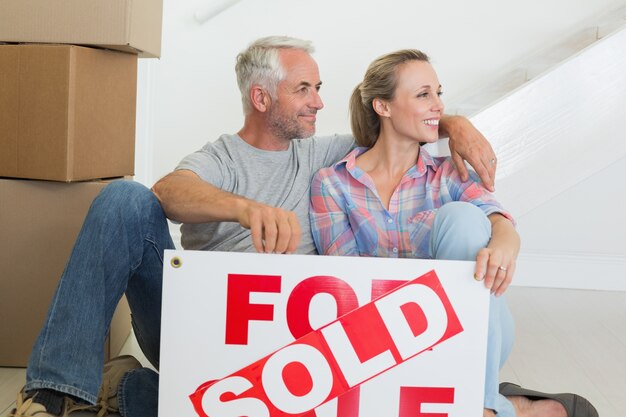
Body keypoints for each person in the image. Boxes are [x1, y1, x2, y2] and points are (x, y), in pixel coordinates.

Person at [10, 36, 498, 417]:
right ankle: (52, 394)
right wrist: (245, 209)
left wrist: (455, 123)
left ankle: (128, 393)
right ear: (262, 97)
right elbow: (168, 192)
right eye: (303, 89)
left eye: (319, 89)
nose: (318, 103)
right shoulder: (220, 158)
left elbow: (400, 125)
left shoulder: (325, 154)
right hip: (197, 324)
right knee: (124, 198)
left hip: (284, 344)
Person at [309, 49, 598, 417]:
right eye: (423, 94)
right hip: (383, 333)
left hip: (471, 326)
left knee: (462, 217)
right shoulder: (333, 184)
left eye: (439, 93)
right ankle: (509, 406)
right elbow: (346, 282)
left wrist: (506, 244)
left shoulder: (449, 174)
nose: (438, 106)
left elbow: (499, 220)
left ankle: (480, 404)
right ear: (383, 107)